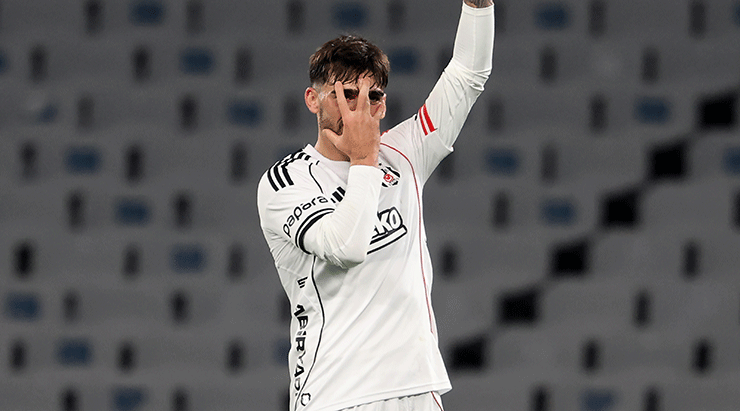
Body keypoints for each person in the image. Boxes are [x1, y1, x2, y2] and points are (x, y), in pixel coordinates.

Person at [257, 1, 495, 410]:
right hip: (338, 394)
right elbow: (347, 247)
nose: (359, 111)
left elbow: (468, 75)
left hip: (418, 388)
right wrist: (364, 158)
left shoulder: (404, 152)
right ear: (313, 100)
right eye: (346, 96)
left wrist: (478, 5)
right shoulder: (286, 182)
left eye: (373, 97)